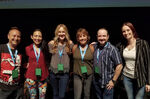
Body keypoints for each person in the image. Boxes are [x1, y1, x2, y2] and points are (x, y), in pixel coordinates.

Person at [116, 22, 150, 99]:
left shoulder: (142, 43)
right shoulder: (122, 45)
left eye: (128, 30)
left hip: (141, 78)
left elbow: (148, 64)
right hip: (126, 77)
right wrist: (96, 44)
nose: (126, 33)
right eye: (124, 31)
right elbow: (111, 49)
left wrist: (149, 83)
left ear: (133, 31)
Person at [92, 28, 123, 99]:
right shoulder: (95, 47)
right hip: (96, 81)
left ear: (108, 36)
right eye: (99, 36)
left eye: (104, 36)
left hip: (108, 82)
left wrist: (113, 81)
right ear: (97, 37)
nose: (101, 38)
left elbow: (120, 65)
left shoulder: (112, 49)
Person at [48, 24, 74, 99]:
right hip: (53, 73)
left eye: (63, 32)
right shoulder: (51, 44)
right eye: (59, 32)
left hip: (64, 74)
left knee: (62, 95)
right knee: (55, 94)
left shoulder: (70, 44)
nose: (61, 34)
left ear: (66, 33)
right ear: (57, 33)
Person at [0, 27, 24, 99]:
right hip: (3, 89)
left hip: (17, 89)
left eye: (18, 36)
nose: (16, 38)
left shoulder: (21, 51)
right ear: (8, 36)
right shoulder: (1, 48)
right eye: (14, 36)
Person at [24, 29, 49, 99]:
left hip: (43, 76)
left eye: (39, 36)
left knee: (42, 97)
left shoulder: (45, 48)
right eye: (35, 36)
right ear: (31, 37)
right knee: (33, 96)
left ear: (42, 37)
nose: (37, 38)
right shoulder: (27, 48)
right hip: (31, 77)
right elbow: (24, 60)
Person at [72, 28, 94, 99]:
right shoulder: (75, 47)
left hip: (89, 74)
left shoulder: (91, 47)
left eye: (84, 36)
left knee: (87, 95)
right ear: (77, 38)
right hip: (77, 74)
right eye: (80, 36)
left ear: (87, 37)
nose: (82, 38)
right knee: (77, 96)